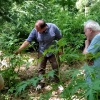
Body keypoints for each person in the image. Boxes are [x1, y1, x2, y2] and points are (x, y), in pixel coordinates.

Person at [15, 20, 62, 89]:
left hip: (53, 51)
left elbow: (60, 38)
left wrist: (60, 49)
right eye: (36, 29)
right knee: (40, 68)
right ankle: (41, 83)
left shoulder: (53, 27)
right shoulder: (35, 30)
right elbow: (28, 41)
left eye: (38, 30)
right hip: (42, 51)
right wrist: (18, 50)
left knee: (56, 67)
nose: (36, 31)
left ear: (44, 27)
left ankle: (58, 83)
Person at [83, 20, 100, 99]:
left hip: (95, 76)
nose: (85, 34)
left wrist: (86, 45)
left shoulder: (98, 37)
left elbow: (85, 56)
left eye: (85, 31)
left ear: (90, 30)